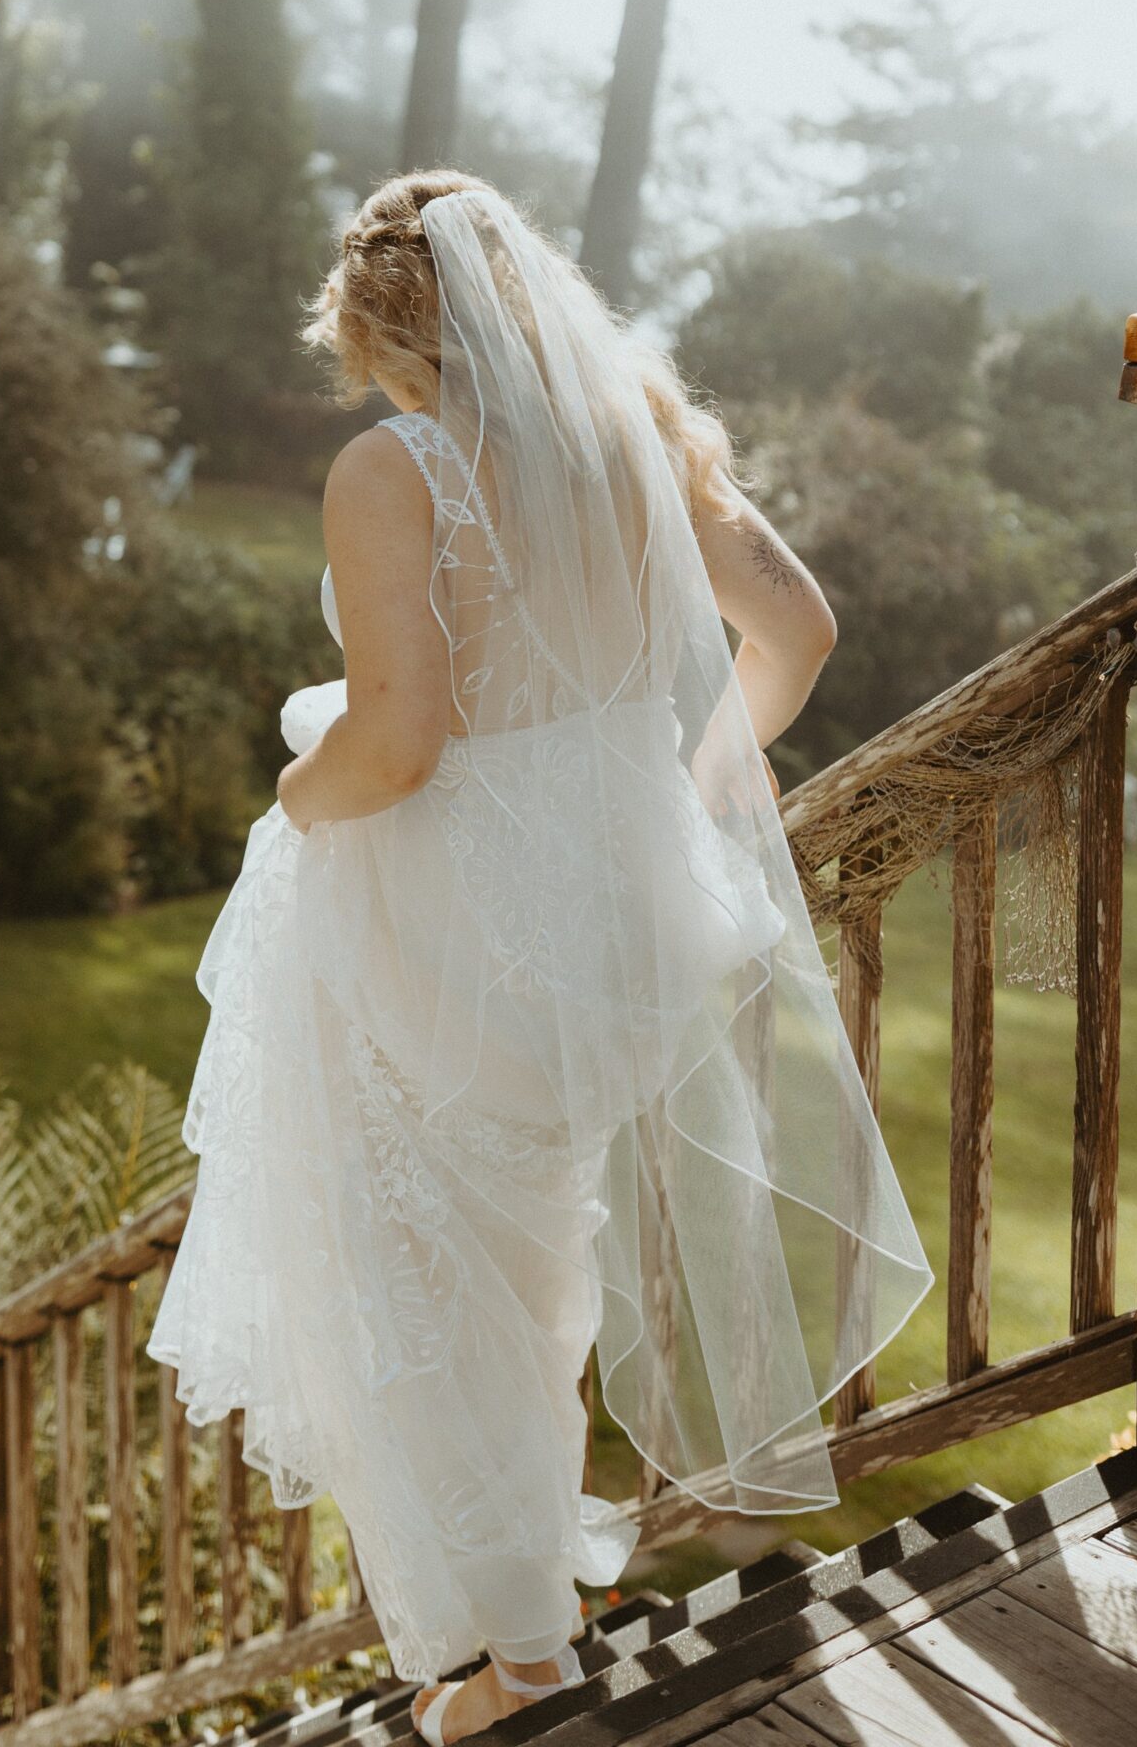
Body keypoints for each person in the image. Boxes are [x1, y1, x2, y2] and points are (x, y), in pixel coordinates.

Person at [147, 173, 932, 1746]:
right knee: (524, 1249)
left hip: (452, 922)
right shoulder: (637, 436)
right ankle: (527, 1630)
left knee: (424, 1264)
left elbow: (402, 737)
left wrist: (293, 796)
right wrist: (700, 788)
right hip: (613, 910)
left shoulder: (395, 468)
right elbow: (799, 632)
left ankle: (523, 1662)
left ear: (376, 328)